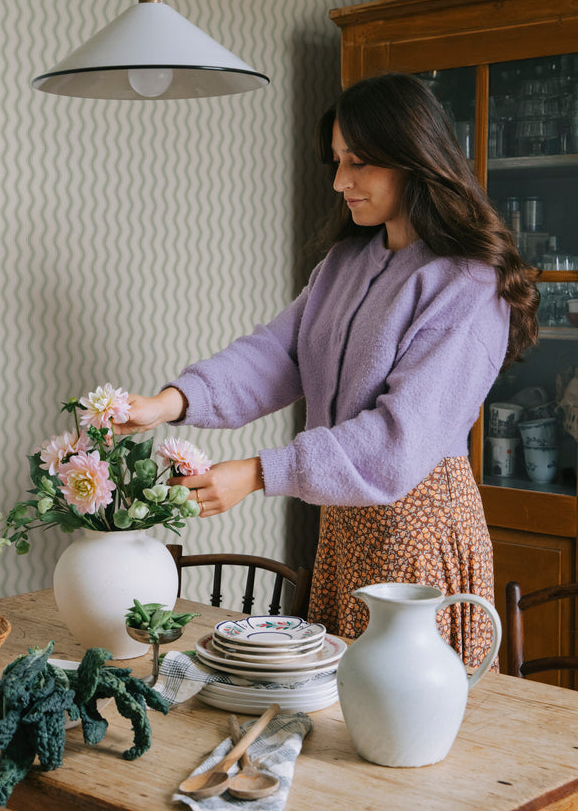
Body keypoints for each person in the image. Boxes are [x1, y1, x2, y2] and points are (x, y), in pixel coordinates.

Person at [118, 72, 540, 666]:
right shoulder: (346, 262)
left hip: (416, 531)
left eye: (359, 162)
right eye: (338, 161)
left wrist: (258, 473)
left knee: (401, 708)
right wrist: (169, 403)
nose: (341, 181)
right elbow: (279, 353)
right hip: (343, 527)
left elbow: (398, 440)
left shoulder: (468, 282)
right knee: (335, 703)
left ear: (414, 159)